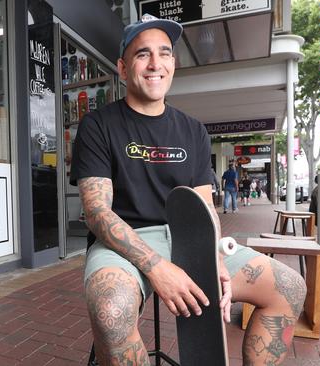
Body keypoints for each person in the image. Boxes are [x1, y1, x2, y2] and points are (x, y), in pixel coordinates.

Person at [71, 14, 306, 365]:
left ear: (173, 64)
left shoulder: (194, 131)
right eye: (142, 54)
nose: (155, 64)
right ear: (122, 68)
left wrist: (214, 256)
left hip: (189, 238)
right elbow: (97, 212)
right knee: (111, 311)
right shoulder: (98, 126)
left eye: (164, 53)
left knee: (289, 288)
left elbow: (203, 206)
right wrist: (157, 268)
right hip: (122, 243)